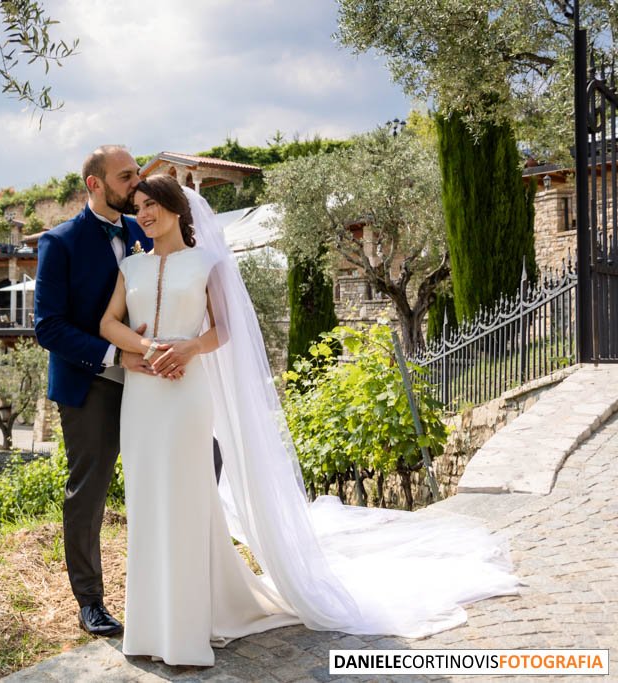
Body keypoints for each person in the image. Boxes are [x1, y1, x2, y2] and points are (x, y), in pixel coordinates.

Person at [100, 174, 521, 666]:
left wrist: (189, 347)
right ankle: (150, 629)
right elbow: (109, 323)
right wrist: (146, 348)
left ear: (176, 208)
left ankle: (187, 629)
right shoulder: (130, 265)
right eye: (139, 206)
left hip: (186, 393)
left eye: (152, 204)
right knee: (148, 503)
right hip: (144, 394)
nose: (144, 214)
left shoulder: (208, 262)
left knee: (191, 500)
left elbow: (225, 329)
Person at [33, 145, 156, 637]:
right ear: (95, 184)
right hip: (91, 383)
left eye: (137, 175)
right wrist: (114, 357)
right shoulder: (59, 242)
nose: (136, 184)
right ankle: (91, 602)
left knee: (200, 458)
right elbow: (48, 327)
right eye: (126, 176)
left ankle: (169, 583)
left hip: (149, 382)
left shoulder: (145, 229)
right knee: (90, 492)